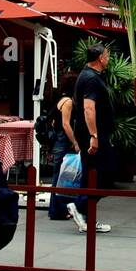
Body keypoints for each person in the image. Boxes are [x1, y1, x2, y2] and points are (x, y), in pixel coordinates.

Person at [69, 43, 114, 234]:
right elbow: (89, 108)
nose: (109, 58)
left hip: (93, 133)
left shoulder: (89, 76)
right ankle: (80, 207)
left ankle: (86, 217)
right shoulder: (90, 79)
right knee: (105, 172)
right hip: (93, 134)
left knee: (92, 173)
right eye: (107, 55)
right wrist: (94, 135)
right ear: (100, 58)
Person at [48, 71, 80, 221]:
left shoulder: (60, 99)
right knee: (60, 175)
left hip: (58, 140)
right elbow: (66, 124)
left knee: (58, 174)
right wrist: (74, 141)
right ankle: (57, 210)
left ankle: (56, 209)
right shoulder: (67, 101)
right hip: (62, 140)